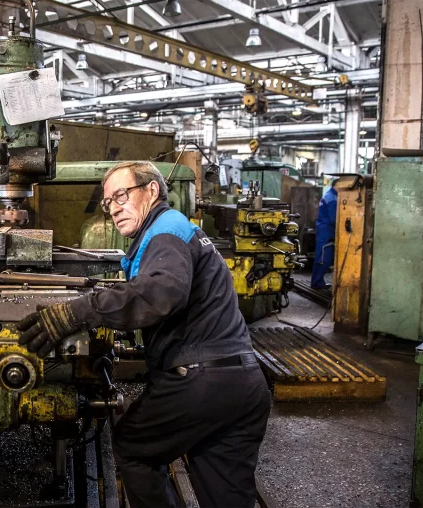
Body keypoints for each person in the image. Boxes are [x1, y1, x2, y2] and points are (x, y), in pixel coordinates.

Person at [18, 161, 271, 508]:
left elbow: (160, 294)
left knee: (132, 446)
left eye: (121, 195)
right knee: (224, 491)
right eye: (108, 203)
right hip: (243, 383)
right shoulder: (176, 230)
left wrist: (76, 312)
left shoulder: (165, 231)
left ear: (151, 190)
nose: (114, 208)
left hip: (200, 383)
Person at [311, 180, 338, 289]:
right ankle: (316, 282)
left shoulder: (329, 195)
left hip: (324, 229)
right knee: (323, 257)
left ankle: (318, 281)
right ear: (336, 185)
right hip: (327, 230)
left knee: (322, 256)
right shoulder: (332, 198)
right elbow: (334, 218)